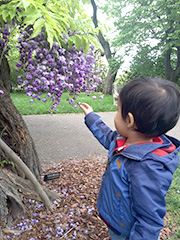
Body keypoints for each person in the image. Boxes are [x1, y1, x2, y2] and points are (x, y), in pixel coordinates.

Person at [79, 76, 180, 240]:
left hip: (125, 230)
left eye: (118, 110)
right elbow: (107, 136)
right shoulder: (123, 140)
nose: (115, 114)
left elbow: (149, 219)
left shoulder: (146, 167)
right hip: (115, 219)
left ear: (130, 120)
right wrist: (91, 118)